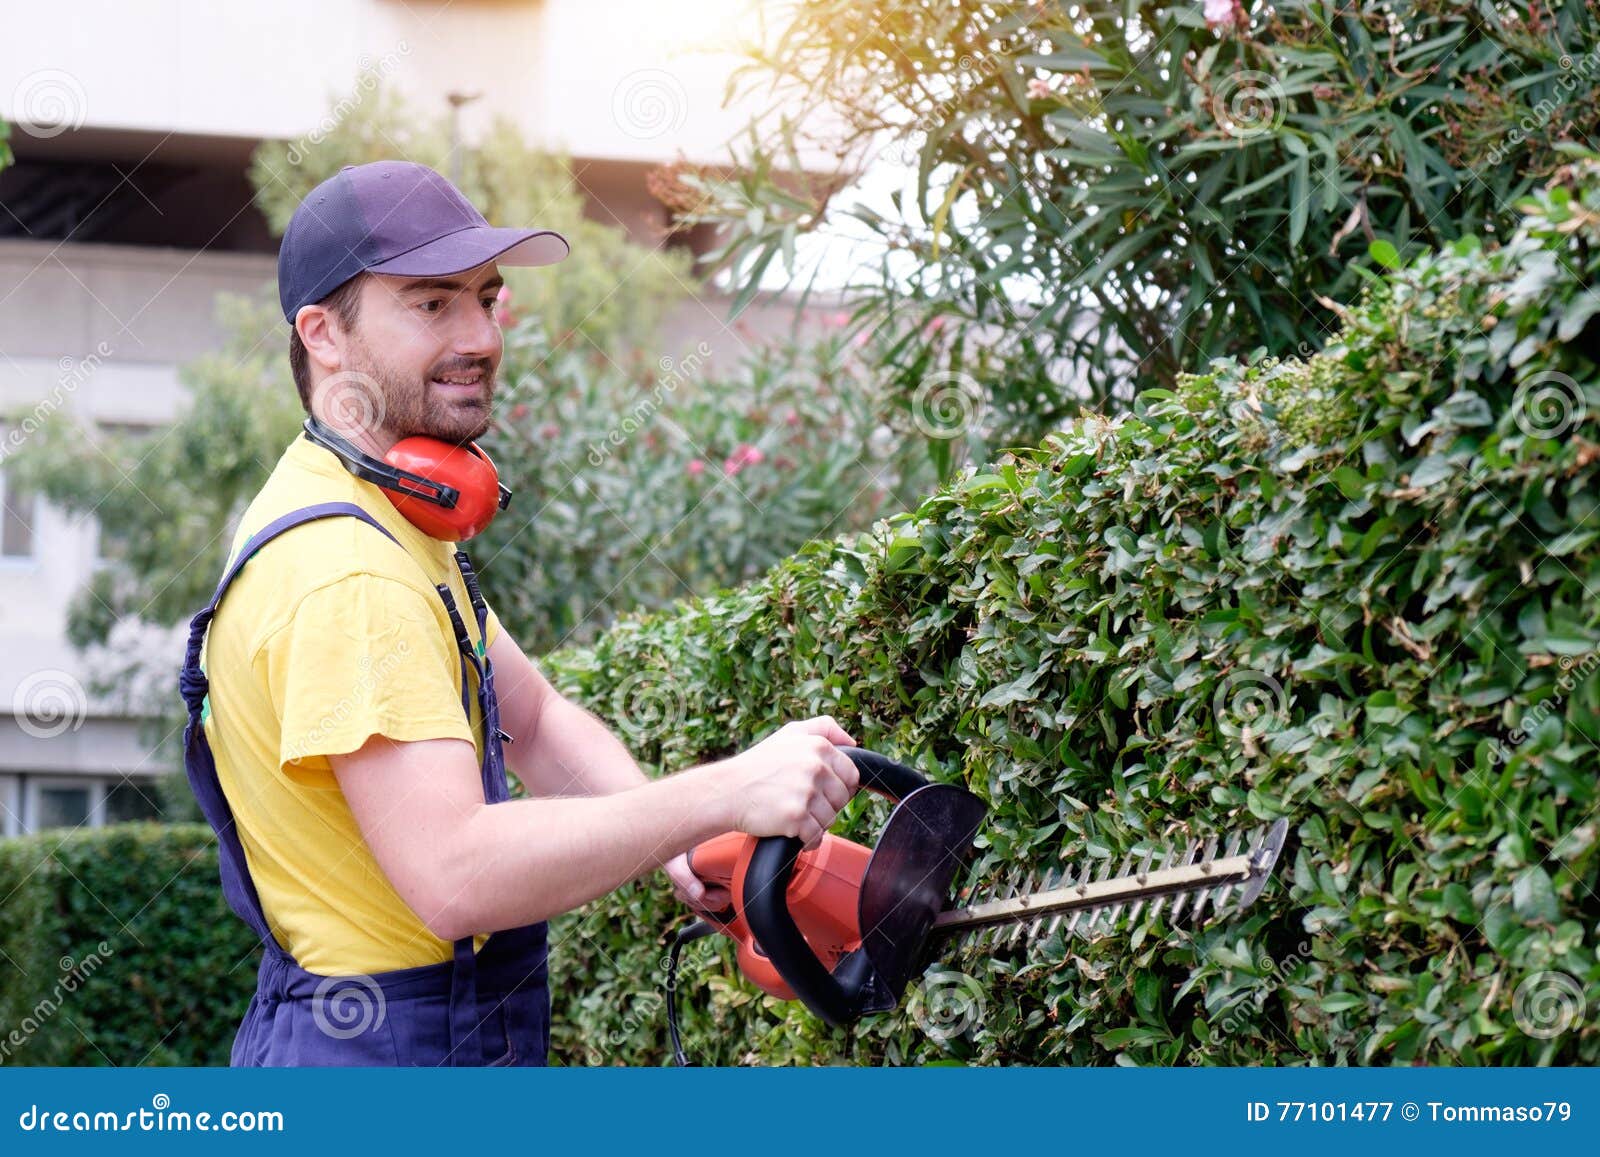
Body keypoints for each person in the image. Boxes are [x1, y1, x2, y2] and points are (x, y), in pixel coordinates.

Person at [177, 160, 860, 1067]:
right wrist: (723, 791)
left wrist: (681, 843)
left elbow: (533, 719)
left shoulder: (384, 517)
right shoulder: (349, 571)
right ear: (323, 334)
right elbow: (455, 872)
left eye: (486, 298)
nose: (480, 336)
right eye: (431, 303)